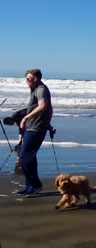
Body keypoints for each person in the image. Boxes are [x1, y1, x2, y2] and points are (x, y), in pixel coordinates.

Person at [17, 69, 53, 197]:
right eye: (26, 79)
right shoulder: (35, 89)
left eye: (28, 79)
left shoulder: (41, 89)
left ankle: (36, 185)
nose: (26, 81)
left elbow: (43, 106)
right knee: (29, 157)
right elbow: (50, 109)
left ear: (35, 79)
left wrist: (26, 118)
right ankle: (30, 186)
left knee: (25, 156)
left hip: (36, 128)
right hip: (33, 126)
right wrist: (48, 123)